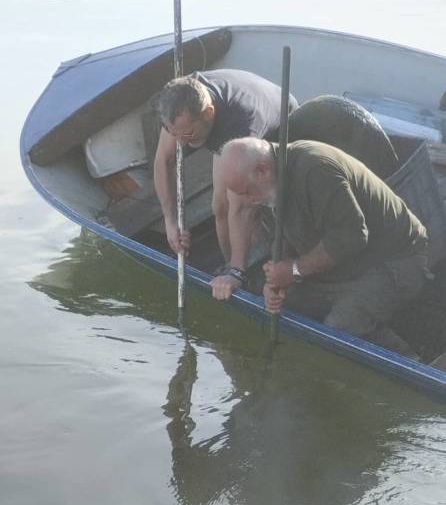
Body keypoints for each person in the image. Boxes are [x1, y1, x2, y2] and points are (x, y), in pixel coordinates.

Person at [219, 137, 428, 349]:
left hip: (393, 260)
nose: (246, 200)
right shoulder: (272, 183)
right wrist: (276, 279)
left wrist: (294, 270)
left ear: (262, 171)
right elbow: (283, 237)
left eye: (246, 191)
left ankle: (410, 360)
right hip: (342, 265)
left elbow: (351, 236)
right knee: (278, 305)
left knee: (339, 328)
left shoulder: (316, 170)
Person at [154, 69, 298, 299]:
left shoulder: (240, 122)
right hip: (225, 123)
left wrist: (236, 273)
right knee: (218, 207)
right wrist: (170, 221)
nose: (181, 142)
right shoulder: (179, 99)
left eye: (188, 134)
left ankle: (240, 270)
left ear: (208, 113)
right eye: (175, 134)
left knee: (237, 204)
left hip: (279, 122)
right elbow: (165, 159)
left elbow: (240, 208)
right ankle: (230, 262)